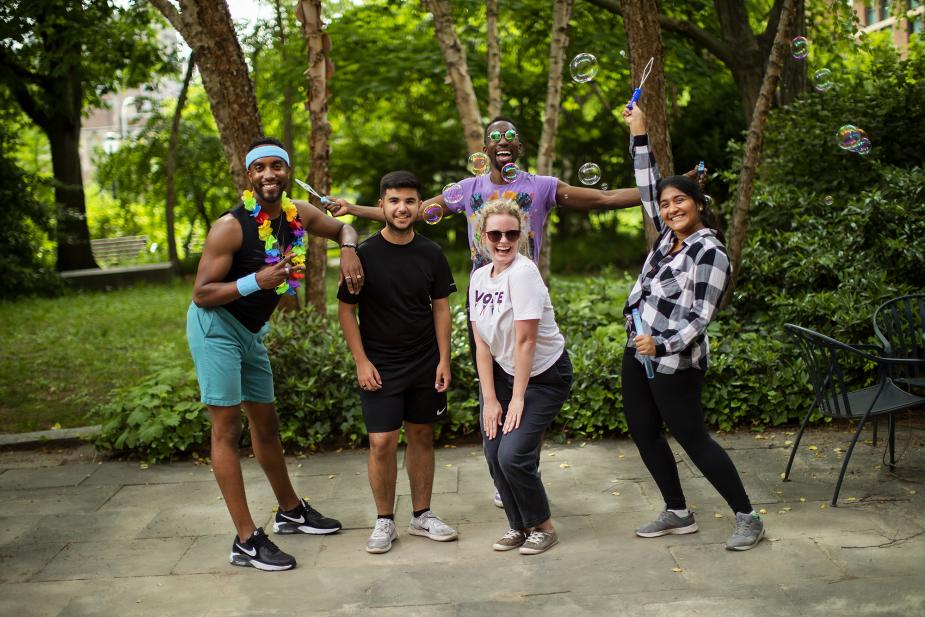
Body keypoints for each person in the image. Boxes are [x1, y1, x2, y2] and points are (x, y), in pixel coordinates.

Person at [327, 117, 642, 508]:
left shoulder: (540, 186)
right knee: (491, 389)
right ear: (485, 149)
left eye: (511, 135)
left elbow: (604, 199)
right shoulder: (468, 190)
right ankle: (503, 471)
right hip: (485, 302)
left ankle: (521, 466)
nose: (503, 141)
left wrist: (660, 191)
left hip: (525, 303)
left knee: (525, 386)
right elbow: (408, 212)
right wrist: (351, 209)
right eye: (495, 136)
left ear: (519, 146)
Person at [187, 138, 365, 571]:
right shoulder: (230, 227)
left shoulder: (298, 215)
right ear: (249, 176)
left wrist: (348, 250)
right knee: (227, 432)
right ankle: (246, 539)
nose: (270, 174)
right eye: (261, 168)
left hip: (250, 332)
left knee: (266, 425)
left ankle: (290, 510)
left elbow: (345, 227)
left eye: (278, 166)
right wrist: (256, 282)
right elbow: (202, 293)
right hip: (216, 329)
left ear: (288, 172)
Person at [620, 106, 764, 551]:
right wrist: (639, 131)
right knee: (644, 432)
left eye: (680, 200)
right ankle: (678, 511)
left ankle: (747, 516)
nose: (670, 208)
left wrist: (659, 344)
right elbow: (649, 182)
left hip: (676, 360)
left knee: (693, 438)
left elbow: (701, 317)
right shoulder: (667, 237)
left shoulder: (710, 252)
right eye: (665, 204)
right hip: (639, 350)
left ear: (699, 204)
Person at [337, 171, 459, 554]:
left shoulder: (431, 253)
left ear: (420, 206)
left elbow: (441, 308)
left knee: (422, 436)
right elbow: (345, 311)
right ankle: (384, 521)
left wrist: (444, 359)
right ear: (381, 206)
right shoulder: (364, 255)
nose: (402, 207)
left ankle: (422, 514)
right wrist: (360, 361)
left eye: (409, 200)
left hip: (425, 360)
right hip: (380, 364)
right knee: (382, 441)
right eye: (394, 201)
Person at [469, 198, 573, 555]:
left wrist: (516, 399)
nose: (503, 241)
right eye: (495, 233)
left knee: (513, 455)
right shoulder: (479, 277)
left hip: (543, 376)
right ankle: (518, 526)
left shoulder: (523, 272)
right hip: (502, 373)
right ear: (482, 236)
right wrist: (491, 400)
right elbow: (482, 344)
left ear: (522, 236)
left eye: (511, 234)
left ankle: (543, 526)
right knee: (493, 449)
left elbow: (526, 340)